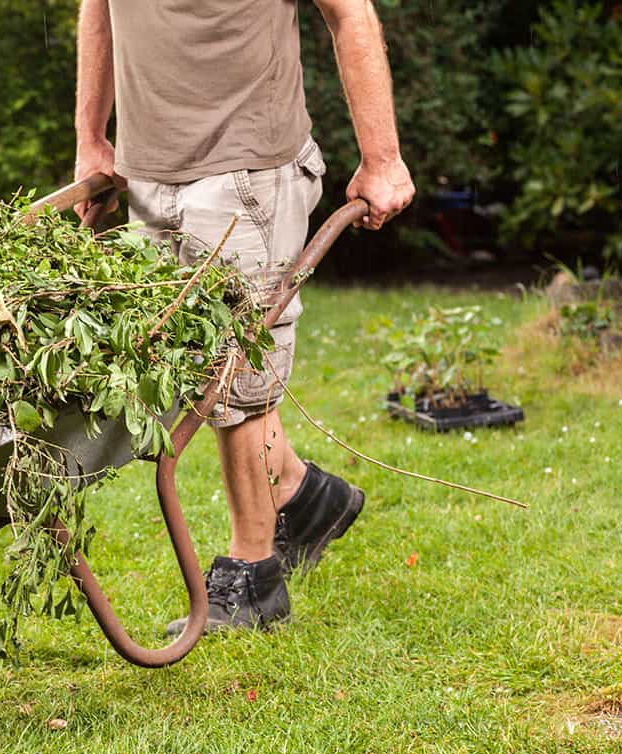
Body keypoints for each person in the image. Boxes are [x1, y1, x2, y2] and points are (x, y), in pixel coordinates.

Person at [73, 0, 416, 634]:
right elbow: (98, 9)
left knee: (237, 378)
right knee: (192, 368)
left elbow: (351, 14)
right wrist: (91, 139)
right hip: (149, 173)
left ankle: (253, 577)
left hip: (248, 171)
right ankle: (303, 493)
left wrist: (382, 157)